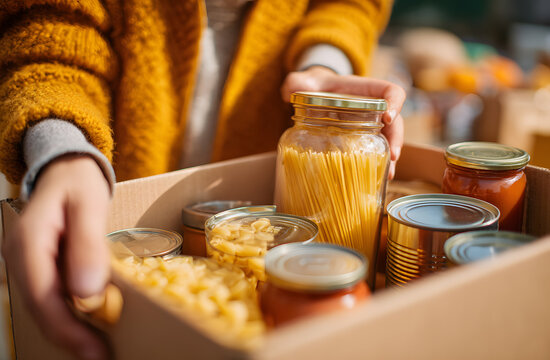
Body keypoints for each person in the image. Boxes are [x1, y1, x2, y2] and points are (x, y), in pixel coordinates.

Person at [0, 1, 405, 359]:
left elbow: (349, 6)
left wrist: (322, 69)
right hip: (116, 195)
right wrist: (65, 150)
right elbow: (49, 31)